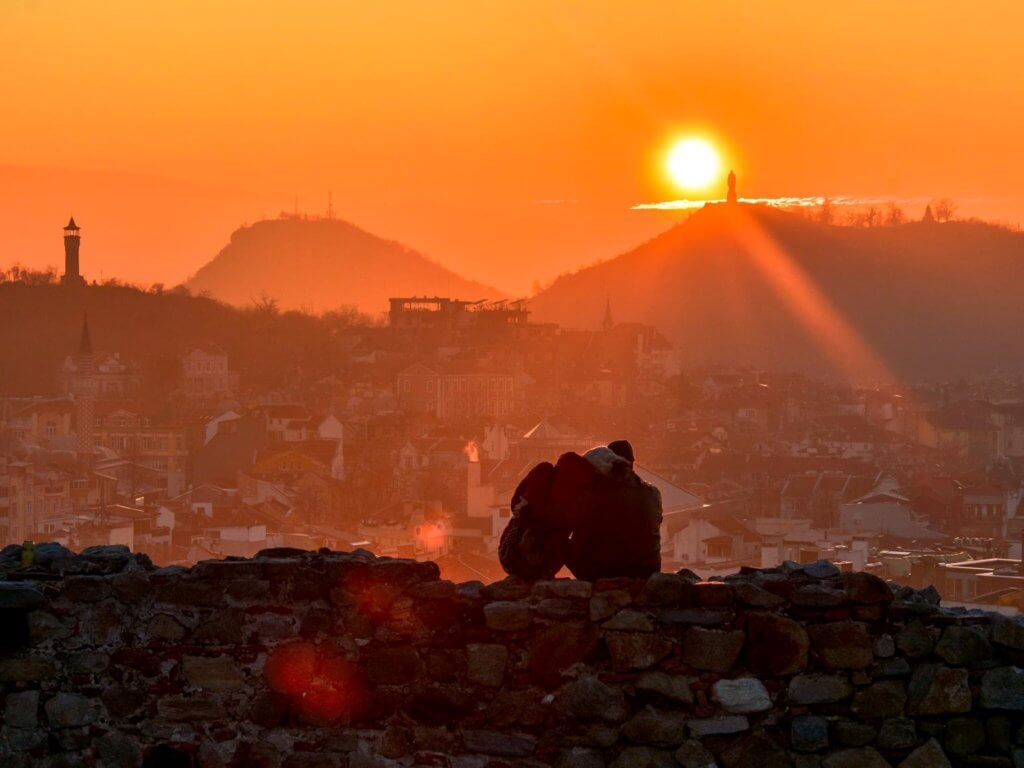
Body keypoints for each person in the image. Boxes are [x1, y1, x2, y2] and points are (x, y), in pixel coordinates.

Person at [565, 440, 662, 581]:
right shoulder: (653, 492)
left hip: (604, 572)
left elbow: (574, 527)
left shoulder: (597, 493)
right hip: (648, 570)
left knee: (554, 536)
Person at [498, 451, 598, 580]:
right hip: (546, 566)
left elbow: (515, 504)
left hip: (511, 556)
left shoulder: (545, 473)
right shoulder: (582, 497)